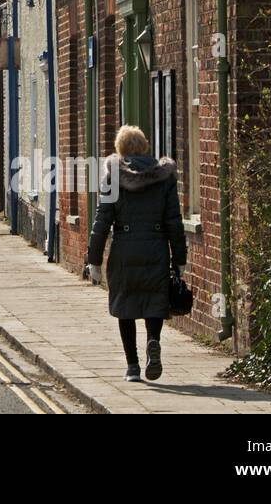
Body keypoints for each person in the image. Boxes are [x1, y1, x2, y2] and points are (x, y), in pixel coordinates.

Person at [84, 125, 187, 382]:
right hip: (156, 248)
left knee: (125, 307)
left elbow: (101, 222)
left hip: (124, 250)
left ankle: (132, 366)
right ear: (145, 147)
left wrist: (94, 261)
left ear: (120, 150)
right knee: (154, 303)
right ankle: (153, 340)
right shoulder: (164, 178)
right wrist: (180, 259)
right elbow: (175, 221)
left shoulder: (112, 178)